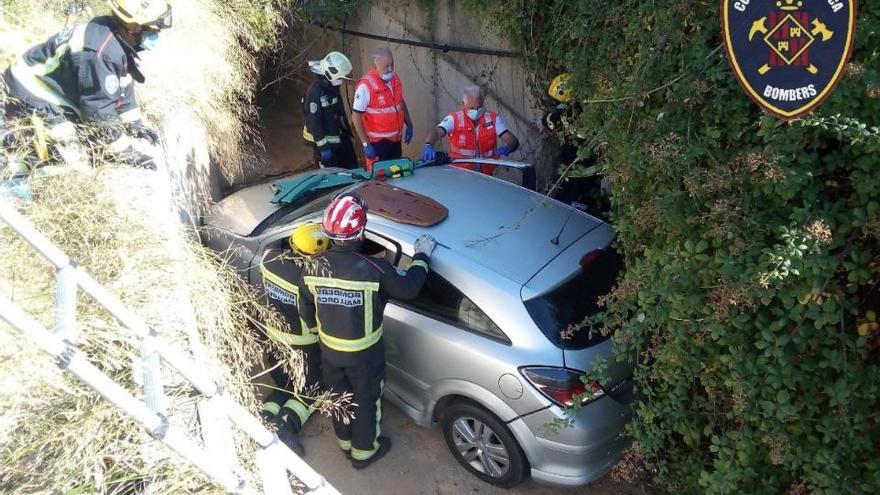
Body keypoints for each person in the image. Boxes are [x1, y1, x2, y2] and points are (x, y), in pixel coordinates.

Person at [298, 194, 436, 468]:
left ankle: (345, 443)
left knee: (339, 397)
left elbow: (305, 309)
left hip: (330, 353)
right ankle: (364, 452)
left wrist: (318, 336)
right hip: (364, 356)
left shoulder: (312, 267)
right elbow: (409, 287)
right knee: (366, 399)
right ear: (361, 232)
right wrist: (421, 256)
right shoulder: (375, 269)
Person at [1, 0, 172, 172]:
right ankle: (14, 170)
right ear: (134, 26)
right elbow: (98, 113)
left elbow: (122, 85)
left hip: (49, 85)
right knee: (71, 161)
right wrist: (126, 153)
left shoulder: (113, 34)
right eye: (152, 30)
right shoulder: (102, 53)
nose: (157, 34)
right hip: (29, 89)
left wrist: (135, 124)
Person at [258, 223, 332, 456]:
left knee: (285, 384)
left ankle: (266, 418)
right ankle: (286, 426)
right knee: (312, 391)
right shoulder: (308, 281)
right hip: (301, 344)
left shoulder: (268, 259)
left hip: (274, 337)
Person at [419, 85, 519, 176]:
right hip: (460, 175)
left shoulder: (492, 119)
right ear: (463, 104)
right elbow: (437, 132)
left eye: (479, 107)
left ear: (482, 103)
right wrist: (429, 144)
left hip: (486, 176)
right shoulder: (454, 119)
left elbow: (512, 140)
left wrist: (510, 146)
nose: (476, 111)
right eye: (472, 108)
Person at [351, 47, 414, 171]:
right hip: (377, 144)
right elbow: (356, 116)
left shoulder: (394, 79)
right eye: (386, 66)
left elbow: (400, 102)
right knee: (380, 180)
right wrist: (365, 143)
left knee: (396, 175)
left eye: (392, 65)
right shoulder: (366, 86)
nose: (390, 69)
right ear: (376, 66)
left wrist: (409, 124)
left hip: (395, 141)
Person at [302, 51, 358, 169]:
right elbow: (314, 122)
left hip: (338, 138)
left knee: (351, 167)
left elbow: (339, 112)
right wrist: (324, 148)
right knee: (333, 177)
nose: (342, 82)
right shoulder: (315, 92)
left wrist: (348, 134)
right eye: (340, 78)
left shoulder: (332, 88)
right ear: (330, 74)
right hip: (323, 143)